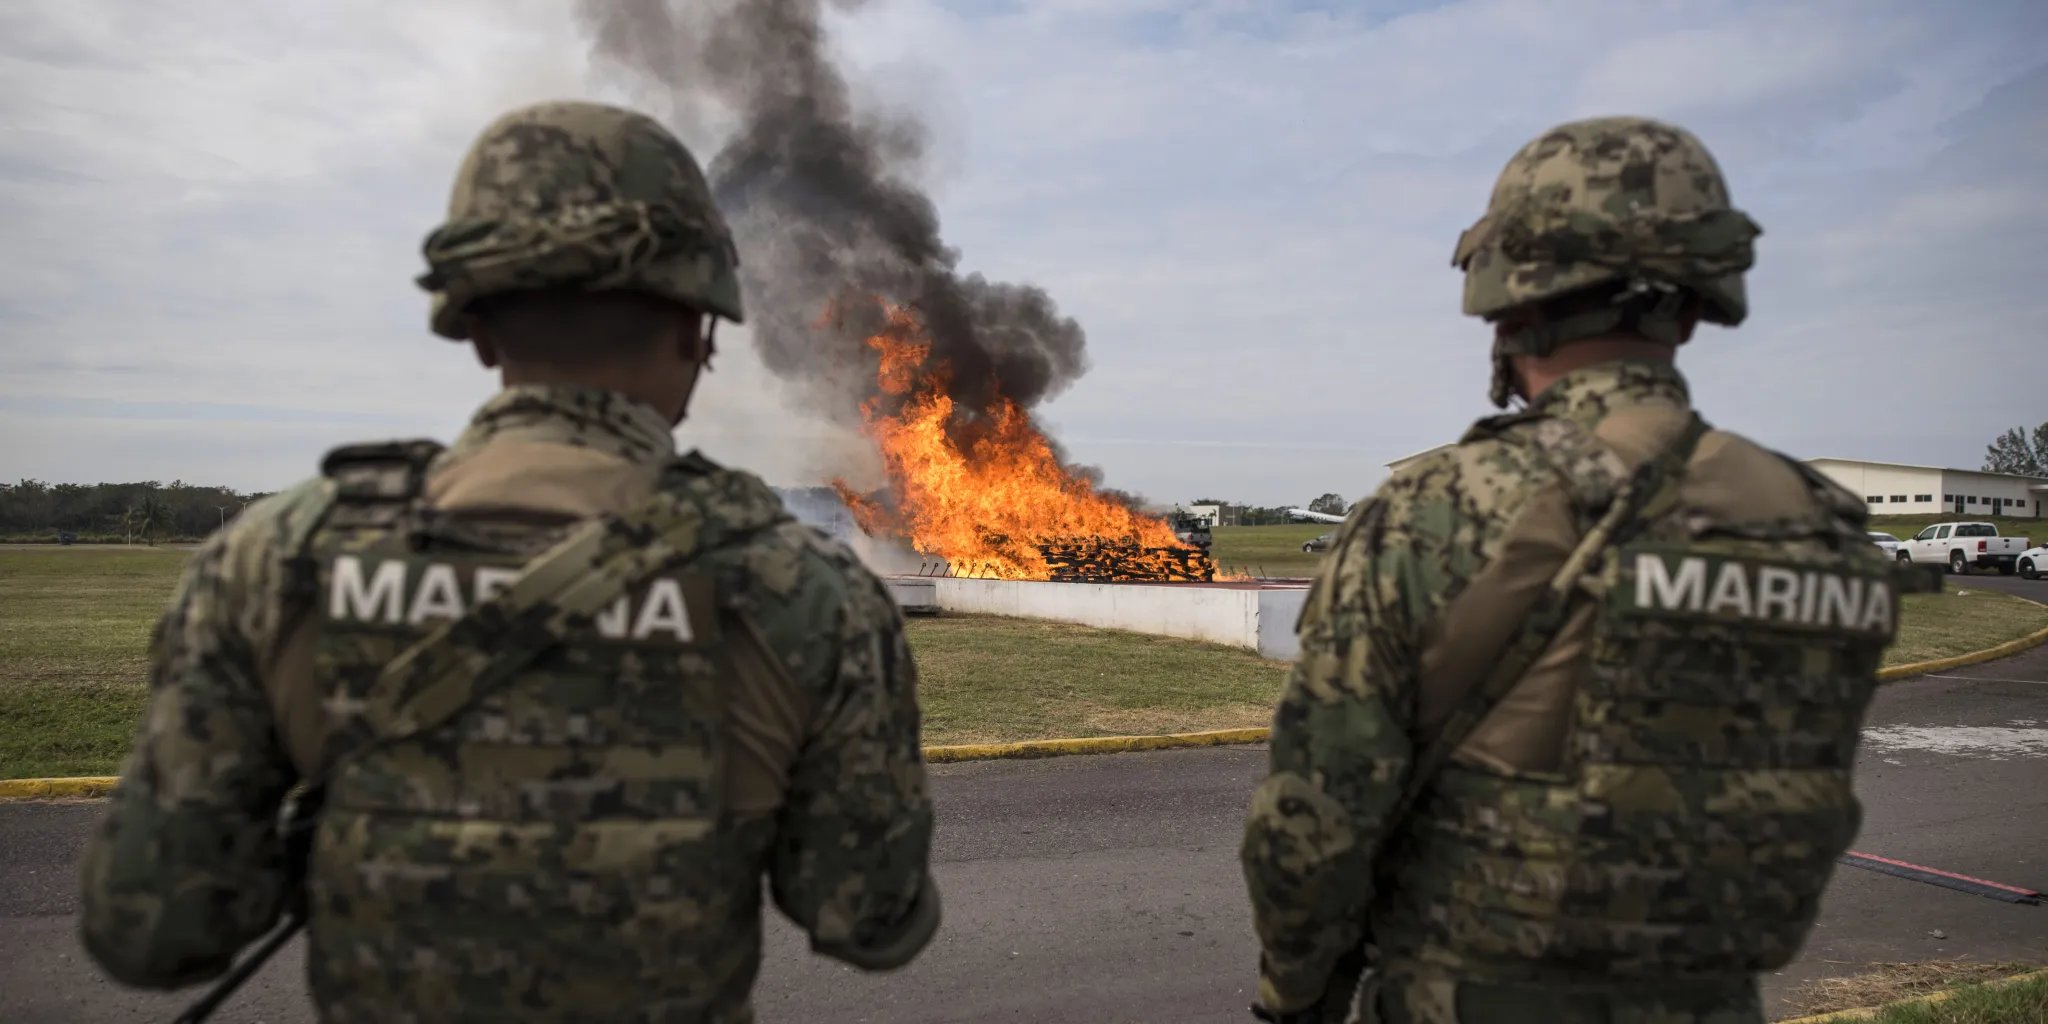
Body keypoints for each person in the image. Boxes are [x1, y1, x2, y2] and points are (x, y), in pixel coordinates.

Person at [78, 99, 940, 1023]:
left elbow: (151, 931)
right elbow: (873, 922)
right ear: (699, 328)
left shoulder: (280, 561)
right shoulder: (806, 594)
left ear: (480, 327)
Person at [1240, 116, 1916, 1024]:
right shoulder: (1821, 525)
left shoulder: (1439, 509)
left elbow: (1315, 817)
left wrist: (1294, 997)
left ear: (1508, 297)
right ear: (1696, 300)